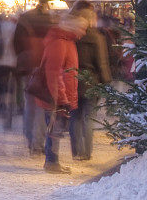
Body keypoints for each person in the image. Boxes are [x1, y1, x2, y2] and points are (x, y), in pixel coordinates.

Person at [38, 11, 89, 174]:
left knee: (57, 128)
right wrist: (61, 98)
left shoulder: (67, 42)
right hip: (57, 96)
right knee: (55, 128)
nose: (84, 32)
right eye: (83, 28)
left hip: (62, 94)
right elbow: (54, 72)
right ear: (74, 27)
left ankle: (53, 161)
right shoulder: (60, 43)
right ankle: (51, 162)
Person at [69, 1, 112, 161]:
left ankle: (76, 151)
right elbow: (101, 62)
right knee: (89, 117)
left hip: (73, 80)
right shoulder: (97, 37)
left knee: (75, 117)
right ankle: (86, 152)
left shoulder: (71, 35)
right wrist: (106, 82)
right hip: (91, 81)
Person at [14, 0, 54, 154]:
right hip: (44, 66)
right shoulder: (51, 20)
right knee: (42, 105)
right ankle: (38, 141)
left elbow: (16, 43)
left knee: (30, 104)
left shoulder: (25, 18)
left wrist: (22, 59)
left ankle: (29, 136)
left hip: (28, 65)